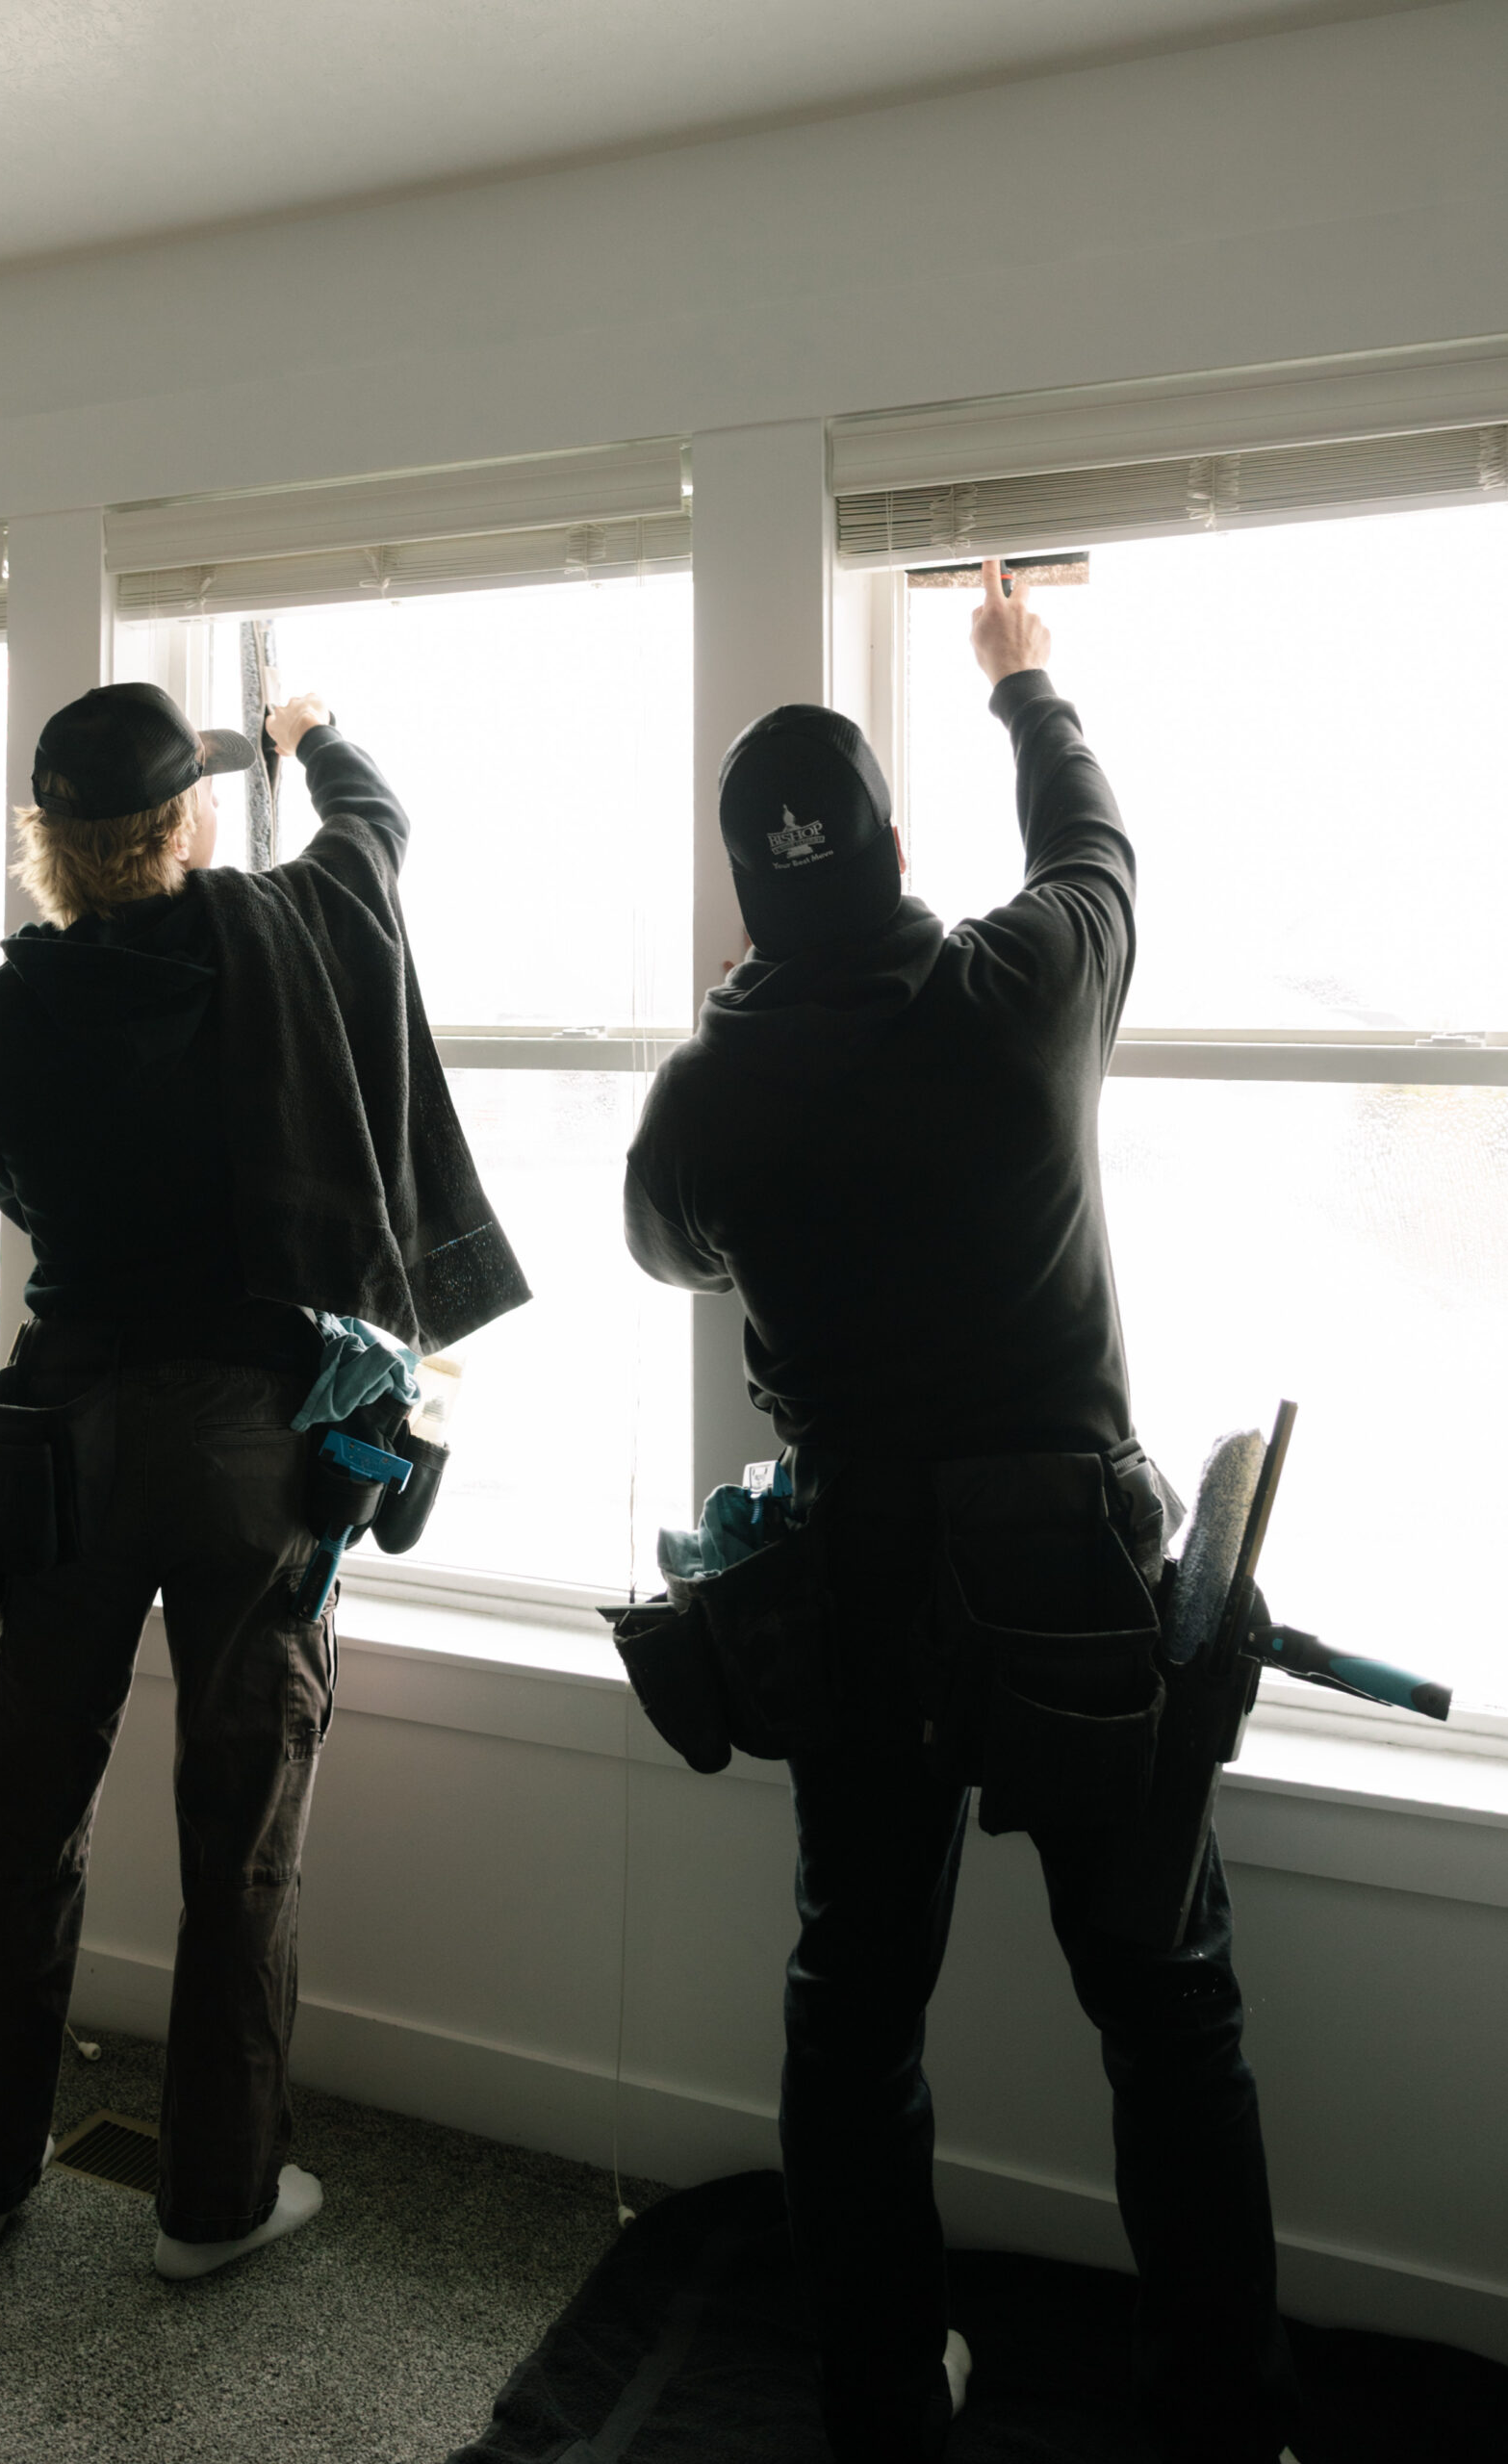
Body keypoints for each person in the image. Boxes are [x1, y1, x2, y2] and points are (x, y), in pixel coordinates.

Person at [622, 566, 1302, 2464]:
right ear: (901, 845)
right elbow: (1098, 845)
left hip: (858, 1584)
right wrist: (1024, 680)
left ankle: (876, 2390)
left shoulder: (710, 1098)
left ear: (748, 894)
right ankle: (1223, 2420)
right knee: (1166, 2004)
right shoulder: (1024, 985)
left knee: (856, 2000)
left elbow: (675, 1243)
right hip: (1064, 1568)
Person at [0, 680, 526, 2276]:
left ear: (46, 842)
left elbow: (15, 1185)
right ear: (184, 823)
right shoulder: (281, 936)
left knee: (22, 1815)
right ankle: (216, 2203)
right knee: (240, 1823)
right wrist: (314, 739)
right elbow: (375, 839)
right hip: (242, 1443)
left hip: (54, 1435)